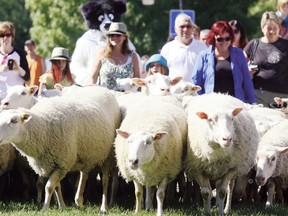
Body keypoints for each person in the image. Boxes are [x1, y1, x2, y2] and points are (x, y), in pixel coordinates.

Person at [192, 21, 255, 104]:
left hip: (235, 104)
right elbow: (196, 82)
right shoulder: (203, 56)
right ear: (213, 39)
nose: (224, 42)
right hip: (211, 104)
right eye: (220, 39)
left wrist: (251, 102)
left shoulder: (239, 54)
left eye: (227, 38)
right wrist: (201, 102)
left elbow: (247, 81)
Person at [244, 11, 288, 106]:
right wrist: (246, 69)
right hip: (258, 95)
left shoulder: (286, 45)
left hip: (282, 97)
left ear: (279, 28)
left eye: (274, 28)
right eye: (268, 28)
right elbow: (239, 65)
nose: (272, 31)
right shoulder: (254, 44)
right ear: (262, 28)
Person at [89, 22, 140, 90]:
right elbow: (92, 79)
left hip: (127, 99)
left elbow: (137, 81)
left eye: (118, 35)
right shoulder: (102, 54)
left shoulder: (133, 56)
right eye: (112, 35)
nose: (114, 37)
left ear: (125, 37)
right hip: (105, 98)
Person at [160, 13, 207, 82]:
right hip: (174, 91)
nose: (185, 29)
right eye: (182, 26)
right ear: (175, 29)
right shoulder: (167, 48)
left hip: (197, 91)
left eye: (188, 26)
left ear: (192, 28)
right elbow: (162, 73)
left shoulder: (202, 47)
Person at [0, 21, 30, 100]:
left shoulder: (20, 54)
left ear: (12, 37)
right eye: (2, 35)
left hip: (16, 99)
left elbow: (28, 80)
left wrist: (19, 69)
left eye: (8, 35)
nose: (5, 38)